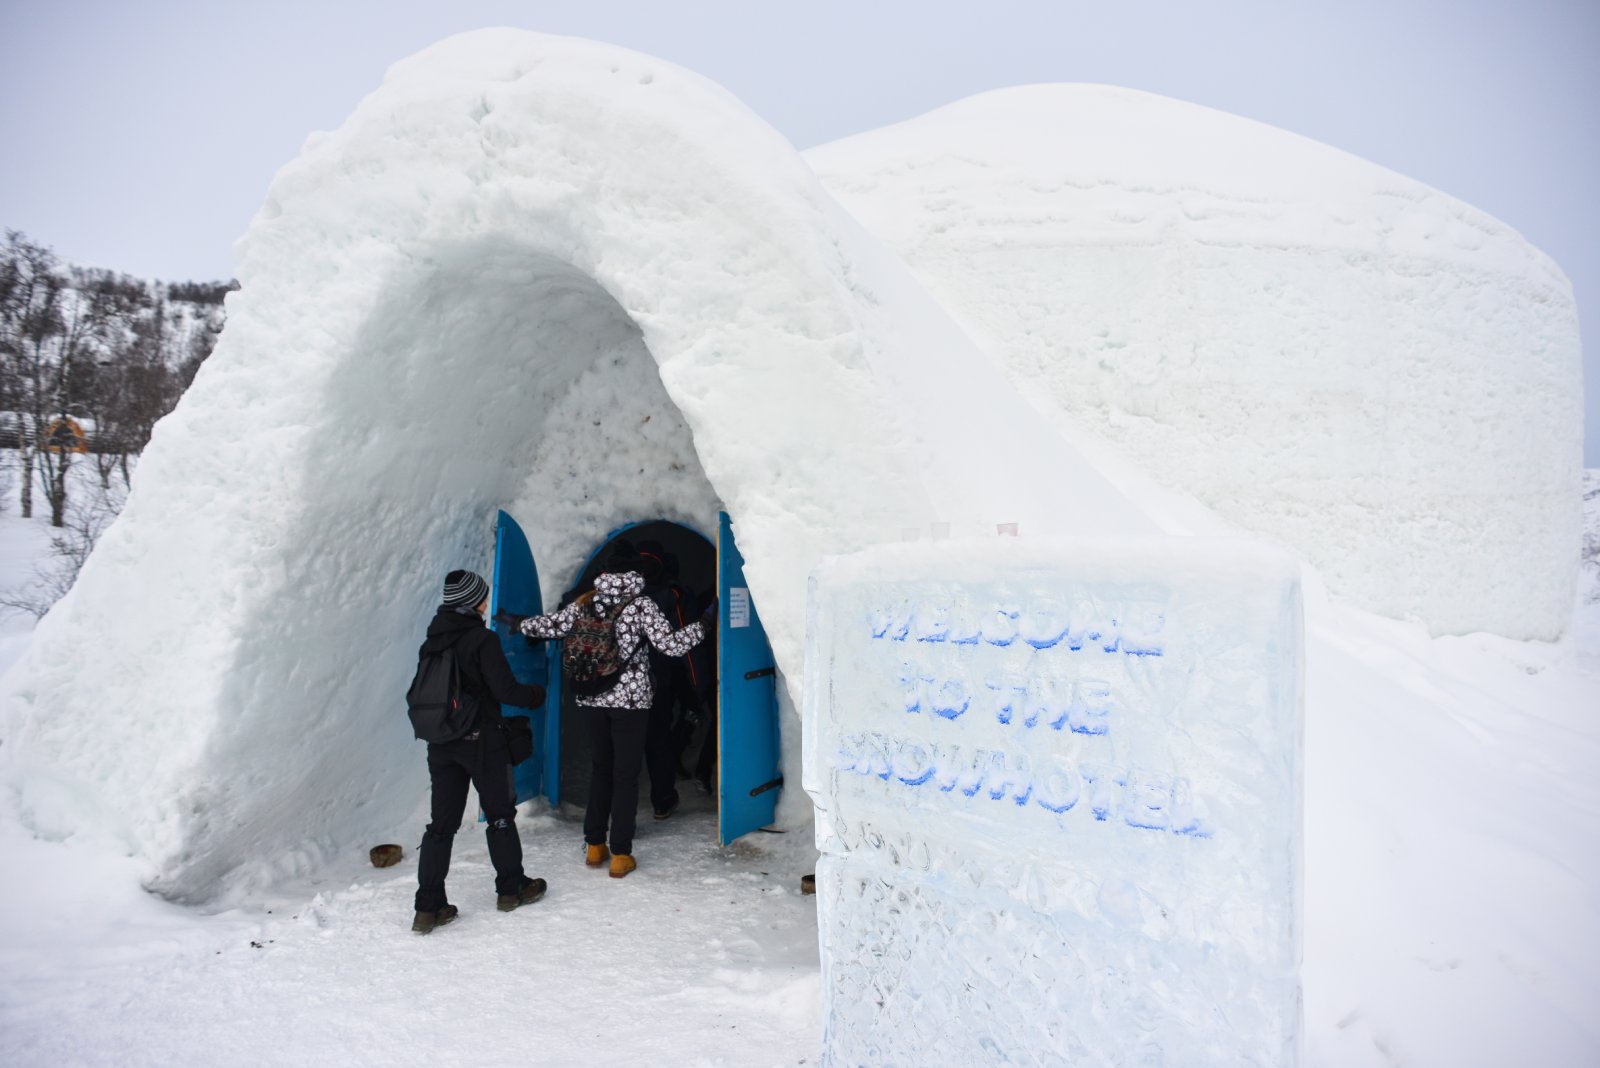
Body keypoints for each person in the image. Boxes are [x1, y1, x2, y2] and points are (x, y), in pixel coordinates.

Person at [499, 546, 714, 878]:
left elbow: (552, 626)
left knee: (602, 769)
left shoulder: (587, 600)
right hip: (630, 701)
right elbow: (670, 645)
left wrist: (519, 623)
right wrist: (703, 624)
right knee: (625, 776)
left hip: (591, 698)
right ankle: (621, 853)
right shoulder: (641, 605)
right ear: (635, 574)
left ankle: (595, 844)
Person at [412, 569, 549, 934]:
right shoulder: (481, 640)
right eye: (483, 597)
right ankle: (512, 888)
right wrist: (535, 694)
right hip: (480, 740)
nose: (486, 603)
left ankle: (428, 907)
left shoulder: (432, 641)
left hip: (441, 744)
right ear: (473, 601)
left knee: (440, 826)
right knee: (500, 814)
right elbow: (506, 691)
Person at [634, 540, 712, 821]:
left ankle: (616, 812)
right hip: (659, 679)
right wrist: (697, 686)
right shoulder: (672, 594)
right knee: (657, 741)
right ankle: (662, 800)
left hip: (619, 687)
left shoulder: (621, 593)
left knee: (620, 747)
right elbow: (686, 646)